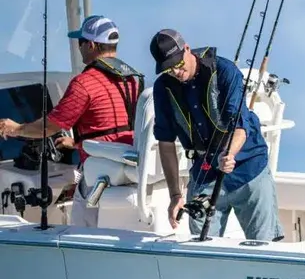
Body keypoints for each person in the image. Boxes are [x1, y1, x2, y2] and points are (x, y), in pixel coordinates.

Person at [0, 14, 144, 227]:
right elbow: (117, 126)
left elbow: (50, 127)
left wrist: (15, 128)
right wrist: (76, 143)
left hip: (100, 172)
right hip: (130, 166)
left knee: (79, 223)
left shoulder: (84, 83)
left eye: (80, 42)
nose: (79, 48)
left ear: (92, 45)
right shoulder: (134, 79)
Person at [149, 28, 283, 242]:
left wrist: (228, 155)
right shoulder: (163, 87)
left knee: (264, 244)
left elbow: (240, 126)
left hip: (249, 169)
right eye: (168, 68)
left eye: (178, 63)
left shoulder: (225, 71)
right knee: (200, 244)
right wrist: (175, 195)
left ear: (187, 49)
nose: (176, 71)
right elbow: (165, 143)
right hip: (205, 172)